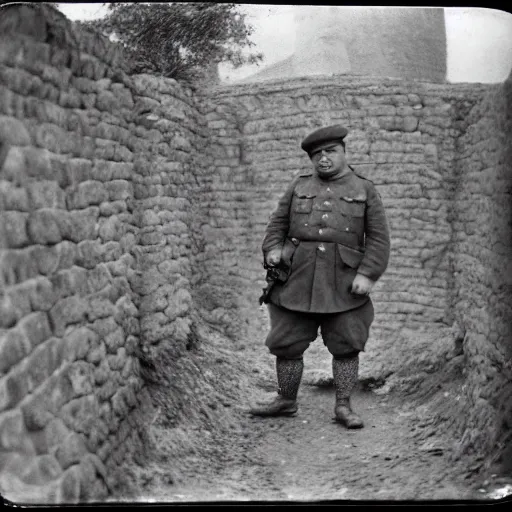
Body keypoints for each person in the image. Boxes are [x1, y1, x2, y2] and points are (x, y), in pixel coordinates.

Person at [250, 124, 391, 428]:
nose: (323, 158)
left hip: (343, 281)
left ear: (343, 153)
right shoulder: (298, 186)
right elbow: (276, 226)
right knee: (286, 341)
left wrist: (368, 274)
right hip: (296, 278)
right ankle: (286, 400)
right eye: (317, 154)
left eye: (330, 152)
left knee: (346, 343)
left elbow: (378, 240)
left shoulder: (364, 189)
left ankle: (343, 405)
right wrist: (272, 250)